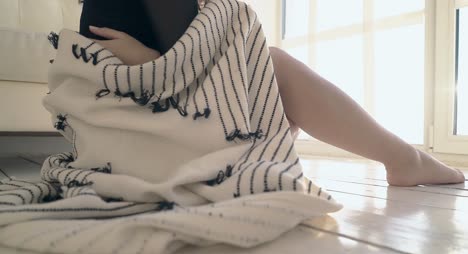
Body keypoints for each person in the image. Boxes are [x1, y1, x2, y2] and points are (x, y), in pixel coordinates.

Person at [82, 0, 465, 187]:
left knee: (269, 74)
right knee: (275, 67)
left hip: (168, 116)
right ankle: (403, 157)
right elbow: (104, 66)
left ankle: (404, 158)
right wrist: (153, 60)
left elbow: (202, 55)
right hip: (141, 129)